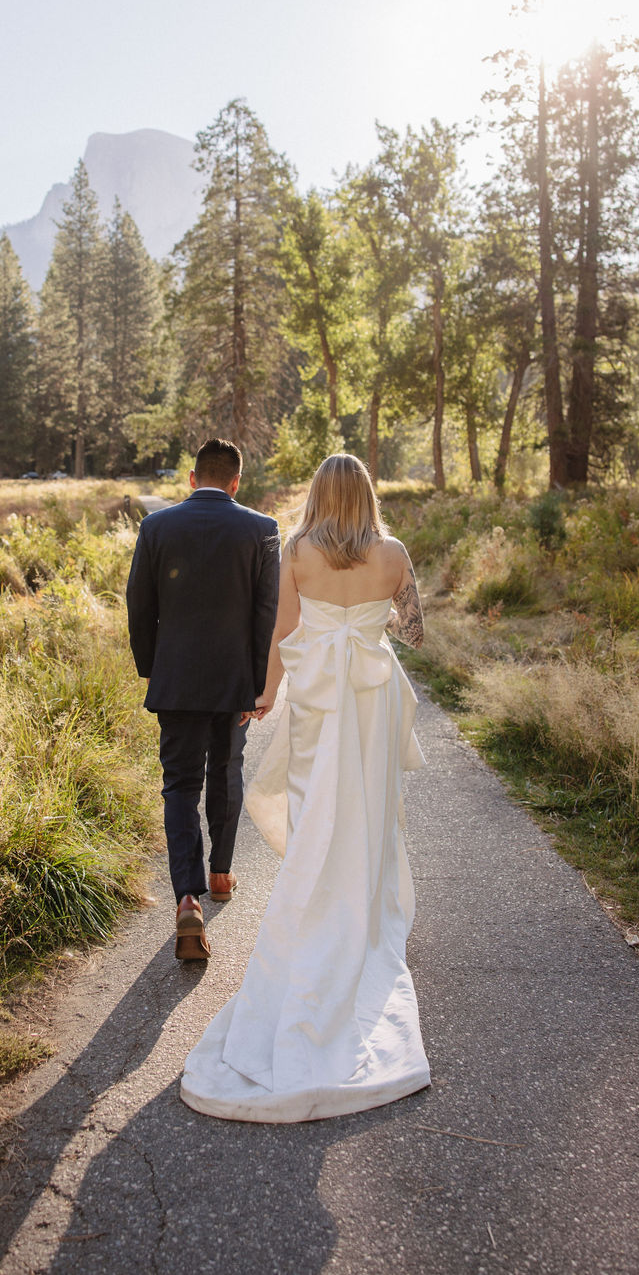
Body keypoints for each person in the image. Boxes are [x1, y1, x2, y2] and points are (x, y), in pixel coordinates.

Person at [180, 453, 430, 1122]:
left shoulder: (298, 549)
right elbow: (416, 629)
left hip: (319, 703)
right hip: (370, 701)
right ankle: (359, 908)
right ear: (368, 495)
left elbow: (281, 633)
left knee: (315, 807)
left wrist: (265, 695)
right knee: (366, 810)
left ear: (321, 494)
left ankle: (314, 895)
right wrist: (374, 621)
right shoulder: (396, 552)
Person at [126, 438, 280, 961]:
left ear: (192, 478)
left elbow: (139, 607)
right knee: (228, 770)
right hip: (235, 679)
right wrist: (260, 684)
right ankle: (221, 873)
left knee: (180, 785)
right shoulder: (262, 530)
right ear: (237, 482)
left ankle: (187, 896)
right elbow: (267, 613)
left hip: (177, 681)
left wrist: (155, 670)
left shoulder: (155, 527)